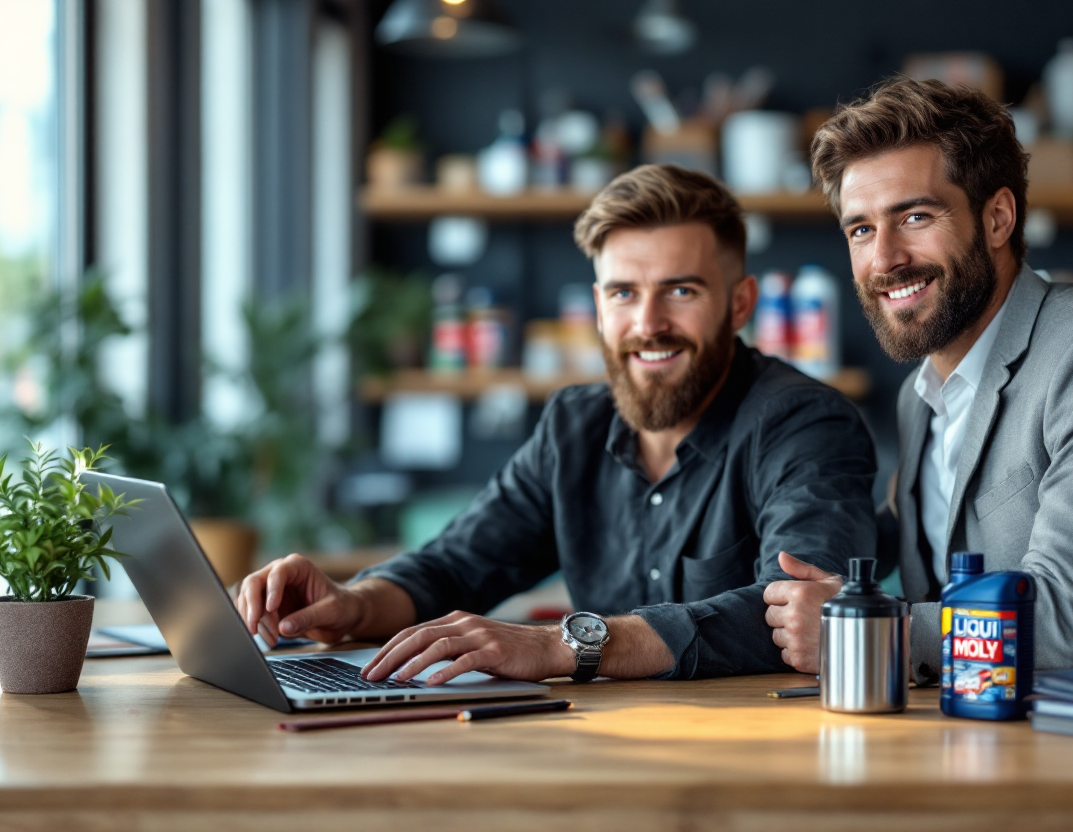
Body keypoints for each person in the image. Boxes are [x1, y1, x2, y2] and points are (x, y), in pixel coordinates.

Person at [238, 164, 876, 685]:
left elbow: (810, 612)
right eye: (624, 293)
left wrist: (561, 646)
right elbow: (456, 566)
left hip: (755, 761)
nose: (648, 323)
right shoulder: (574, 424)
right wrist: (353, 603)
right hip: (594, 750)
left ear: (739, 303)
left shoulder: (805, 423)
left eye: (681, 291)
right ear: (598, 306)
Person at [764, 77, 1073, 684]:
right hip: (953, 735)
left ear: (997, 218)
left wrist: (862, 627)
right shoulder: (920, 395)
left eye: (914, 216)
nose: (884, 259)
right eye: (861, 229)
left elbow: (1067, 620)